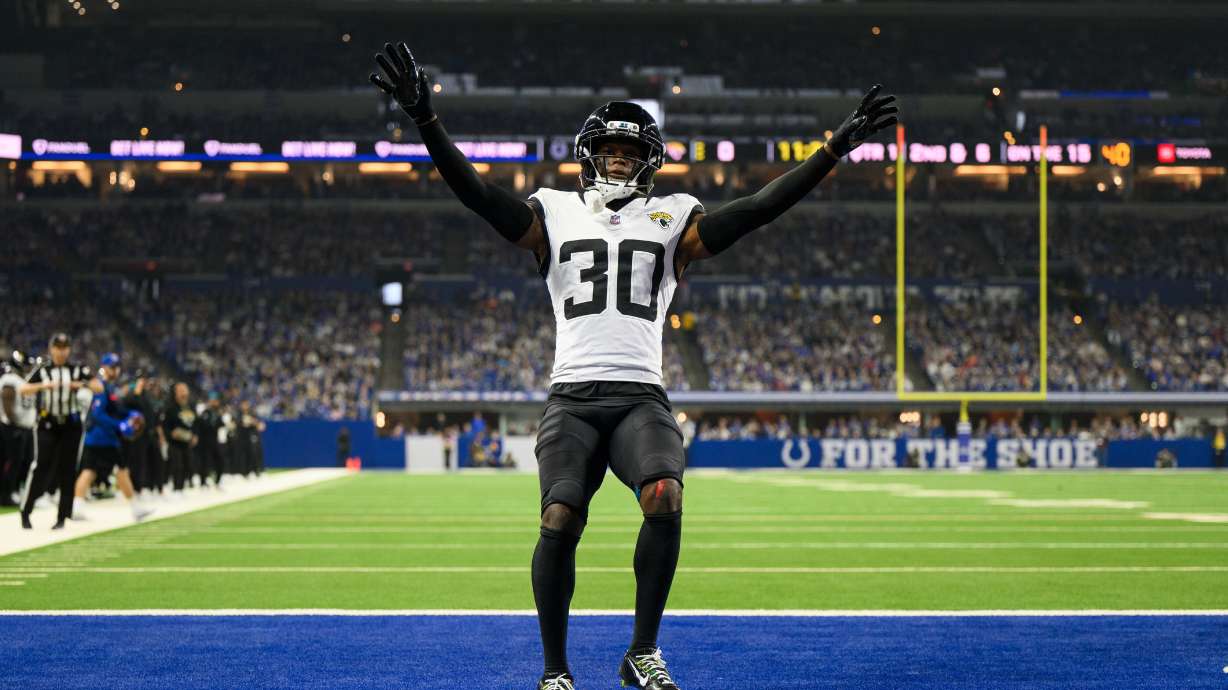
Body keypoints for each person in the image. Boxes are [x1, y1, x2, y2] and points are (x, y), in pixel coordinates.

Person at [371, 42, 897, 690]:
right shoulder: (553, 211)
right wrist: (428, 121)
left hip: (641, 396)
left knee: (665, 497)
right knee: (559, 516)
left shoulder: (674, 216)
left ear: (649, 162)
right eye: (609, 150)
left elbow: (758, 209)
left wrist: (831, 151)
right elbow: (481, 196)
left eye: (629, 152)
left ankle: (641, 651)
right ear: (588, 157)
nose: (618, 159)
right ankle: (555, 670)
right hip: (572, 397)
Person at [19, 333, 94, 530]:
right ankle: (26, 511)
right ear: (51, 349)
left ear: (69, 349)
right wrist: (43, 386)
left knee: (68, 469)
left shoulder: (77, 369)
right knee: (41, 465)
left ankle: (62, 517)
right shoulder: (43, 370)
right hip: (47, 422)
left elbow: (98, 386)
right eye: (58, 348)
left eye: (65, 348)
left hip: (70, 424)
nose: (61, 351)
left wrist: (82, 384)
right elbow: (23, 389)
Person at [72, 353, 153, 522]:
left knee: (94, 471)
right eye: (112, 367)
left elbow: (116, 410)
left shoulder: (110, 387)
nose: (115, 370)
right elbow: (97, 414)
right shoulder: (101, 386)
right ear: (104, 367)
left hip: (103, 438)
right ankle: (134, 508)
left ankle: (78, 507)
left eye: (116, 367)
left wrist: (130, 414)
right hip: (100, 437)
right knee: (111, 471)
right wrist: (119, 425)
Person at [0, 351, 37, 507]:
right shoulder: (10, 380)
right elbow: (7, 403)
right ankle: (6, 494)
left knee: (25, 461)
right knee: (12, 461)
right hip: (12, 428)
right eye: (27, 365)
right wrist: (14, 424)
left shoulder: (22, 380)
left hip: (24, 427)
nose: (29, 368)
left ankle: (15, 490)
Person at [161, 382, 197, 495]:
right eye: (181, 390)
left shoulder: (191, 406)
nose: (184, 393)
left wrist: (195, 435)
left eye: (185, 390)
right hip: (174, 443)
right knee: (177, 465)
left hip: (187, 442)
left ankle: (182, 487)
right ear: (175, 393)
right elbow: (164, 425)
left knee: (189, 464)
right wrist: (170, 434)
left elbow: (196, 423)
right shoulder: (170, 407)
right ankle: (176, 489)